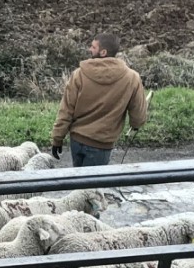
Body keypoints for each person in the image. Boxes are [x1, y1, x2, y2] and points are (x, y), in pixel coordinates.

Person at [50, 33, 149, 167]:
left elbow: (66, 110)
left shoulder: (78, 74)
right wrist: (136, 124)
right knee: (92, 186)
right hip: (102, 144)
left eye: (93, 47)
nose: (90, 50)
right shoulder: (132, 78)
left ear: (103, 52)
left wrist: (57, 138)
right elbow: (138, 115)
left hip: (77, 141)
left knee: (78, 182)